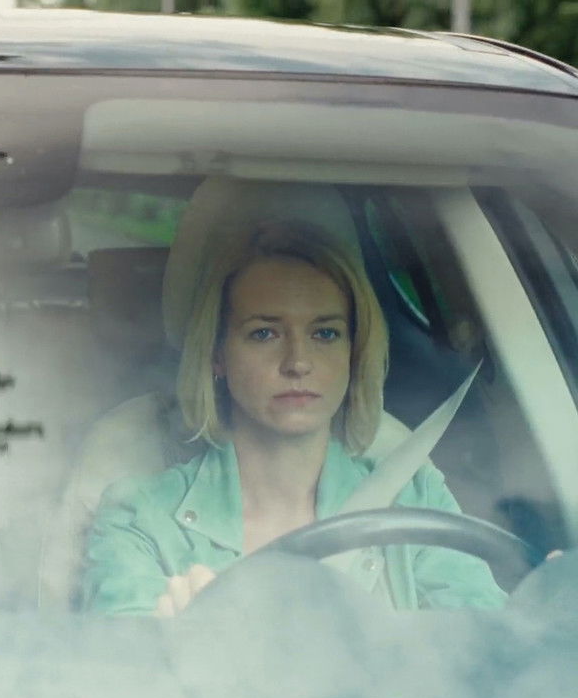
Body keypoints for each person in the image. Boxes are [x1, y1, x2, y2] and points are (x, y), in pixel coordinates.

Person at [82, 219, 506, 616]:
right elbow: (123, 662)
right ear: (217, 354)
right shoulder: (140, 517)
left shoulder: (414, 498)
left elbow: (489, 646)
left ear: (353, 353)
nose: (298, 362)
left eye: (325, 333)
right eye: (264, 333)